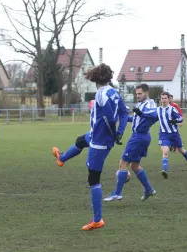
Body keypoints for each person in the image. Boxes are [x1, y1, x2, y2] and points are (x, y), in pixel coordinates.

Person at [78, 64, 128, 231]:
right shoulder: (114, 92)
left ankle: (97, 220)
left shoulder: (101, 94)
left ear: (95, 78)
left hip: (100, 140)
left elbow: (109, 118)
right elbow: (124, 113)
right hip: (100, 139)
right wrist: (120, 133)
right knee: (92, 173)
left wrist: (115, 132)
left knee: (93, 178)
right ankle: (62, 158)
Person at [51, 101, 132, 182]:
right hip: (105, 139)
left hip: (98, 138)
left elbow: (123, 117)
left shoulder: (108, 112)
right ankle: (62, 158)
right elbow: (126, 117)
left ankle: (63, 159)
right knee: (80, 141)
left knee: (86, 150)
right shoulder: (114, 113)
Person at [104, 83, 158, 202]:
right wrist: (124, 117)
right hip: (141, 137)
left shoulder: (149, 103)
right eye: (136, 94)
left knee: (123, 164)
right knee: (134, 166)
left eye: (140, 93)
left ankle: (117, 193)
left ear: (147, 92)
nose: (138, 96)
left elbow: (155, 114)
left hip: (139, 137)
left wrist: (140, 113)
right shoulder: (141, 104)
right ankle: (149, 190)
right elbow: (137, 119)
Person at [157, 91, 187, 178]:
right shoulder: (158, 110)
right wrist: (140, 113)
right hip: (163, 135)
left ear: (168, 99)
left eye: (165, 98)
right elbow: (150, 117)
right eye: (162, 98)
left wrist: (175, 121)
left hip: (174, 134)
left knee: (181, 150)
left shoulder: (172, 109)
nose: (164, 100)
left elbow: (180, 118)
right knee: (165, 152)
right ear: (161, 99)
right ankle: (165, 171)